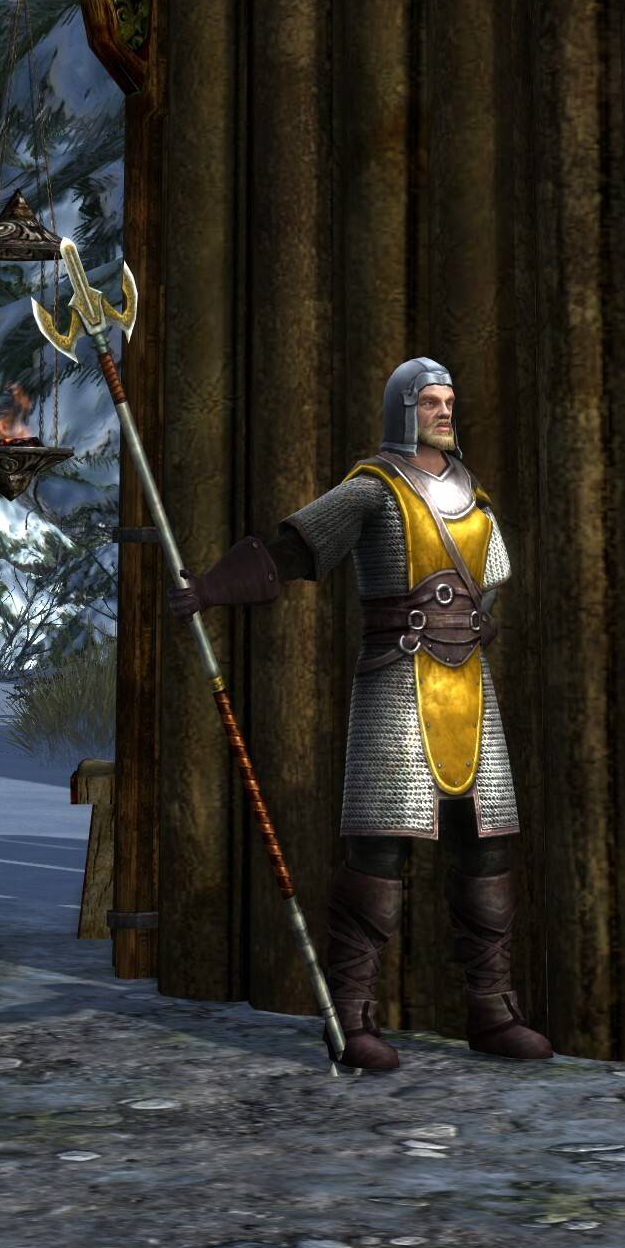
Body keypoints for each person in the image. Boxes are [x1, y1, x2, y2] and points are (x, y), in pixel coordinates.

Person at [171, 356, 550, 1071]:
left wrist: (476, 621)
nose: (445, 410)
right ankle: (350, 1016)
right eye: (431, 401)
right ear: (404, 410)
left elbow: (491, 579)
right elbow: (295, 550)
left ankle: (493, 1010)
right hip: (397, 685)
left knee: (488, 853)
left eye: (449, 400)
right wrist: (212, 589)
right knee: (379, 853)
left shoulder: (475, 495)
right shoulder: (372, 489)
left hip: (470, 689)